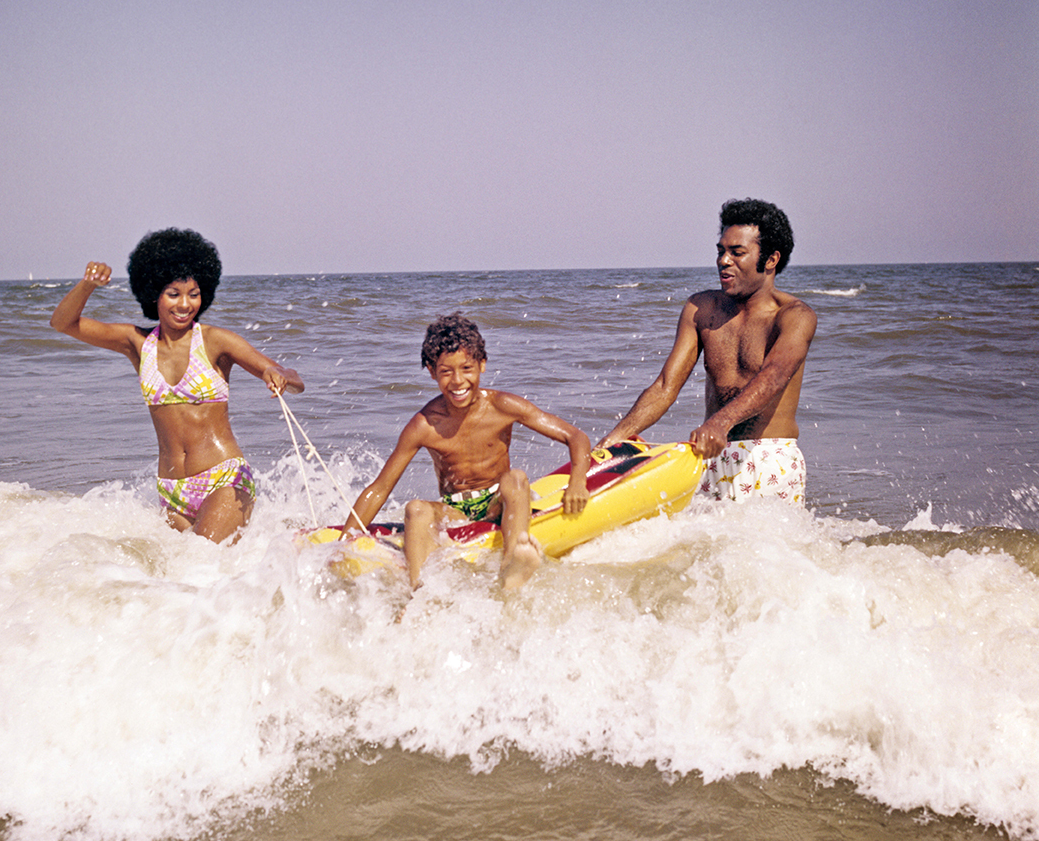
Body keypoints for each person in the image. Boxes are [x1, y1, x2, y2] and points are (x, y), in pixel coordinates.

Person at [50, 228, 304, 542]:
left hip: (223, 482)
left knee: (200, 562)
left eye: (193, 294)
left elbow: (286, 374)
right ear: (153, 293)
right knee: (174, 580)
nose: (185, 304)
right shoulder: (138, 343)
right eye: (174, 294)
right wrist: (87, 285)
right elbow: (63, 323)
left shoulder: (215, 341)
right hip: (171, 493)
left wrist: (279, 376)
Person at [344, 313, 591, 591]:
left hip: (499, 501)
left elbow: (575, 436)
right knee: (415, 509)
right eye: (446, 371)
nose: (458, 381)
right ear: (431, 372)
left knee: (517, 479)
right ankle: (419, 594)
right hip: (455, 510)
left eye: (467, 368)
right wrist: (342, 542)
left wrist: (578, 481)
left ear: (482, 365)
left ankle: (513, 564)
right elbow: (381, 487)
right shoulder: (424, 425)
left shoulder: (503, 406)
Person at [597, 198, 817, 504]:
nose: (723, 261)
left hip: (769, 457)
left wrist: (719, 423)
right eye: (720, 251)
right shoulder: (701, 308)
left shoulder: (795, 316)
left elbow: (773, 377)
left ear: (770, 260)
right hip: (709, 457)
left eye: (737, 253)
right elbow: (664, 386)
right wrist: (616, 437)